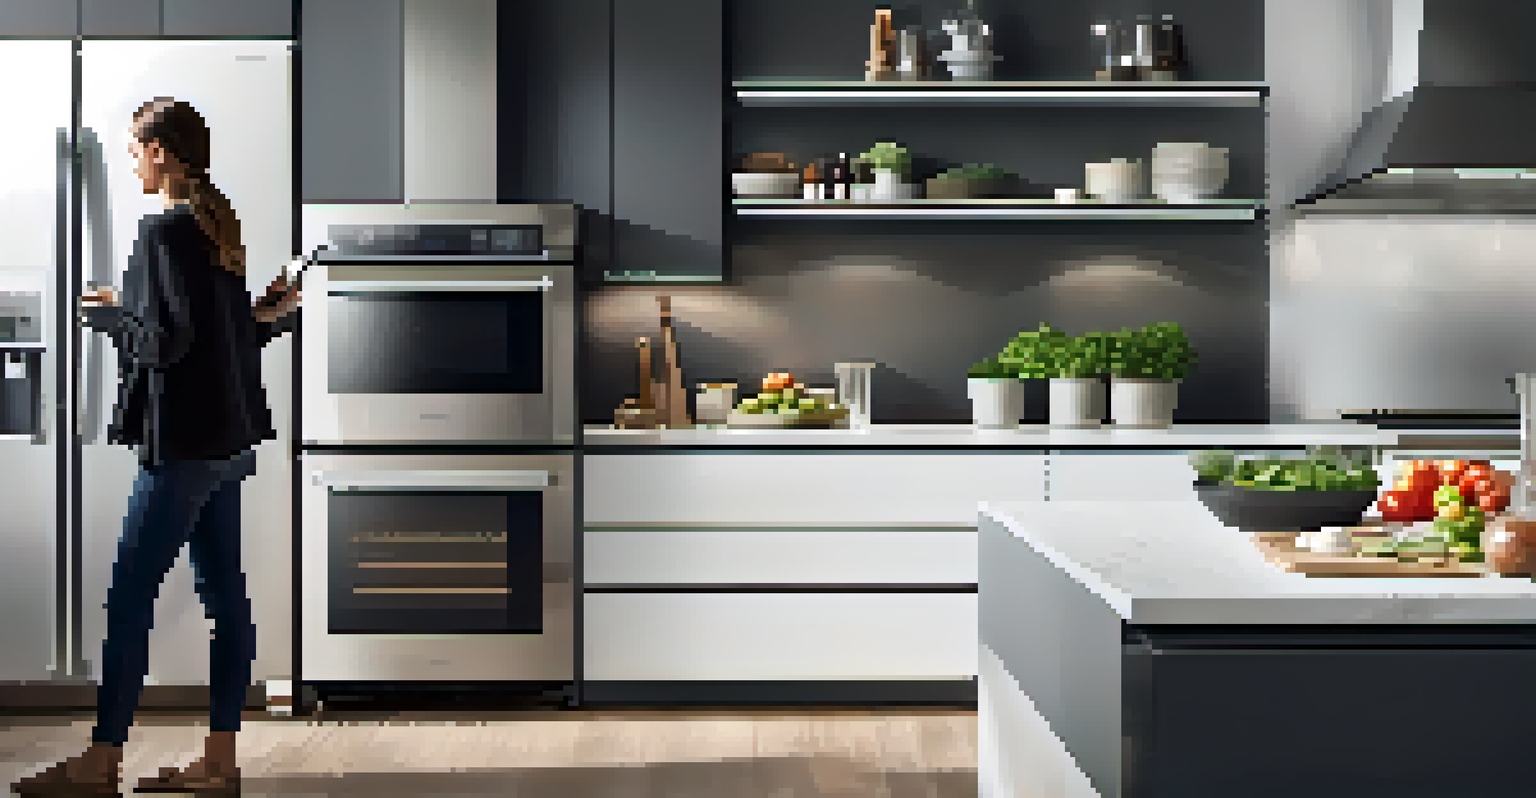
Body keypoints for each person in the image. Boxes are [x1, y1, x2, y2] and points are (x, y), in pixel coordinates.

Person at [12, 97, 300, 797]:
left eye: (137, 150)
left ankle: (101, 761)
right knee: (225, 600)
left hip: (181, 451)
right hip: (228, 446)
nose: (135, 162)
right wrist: (271, 314)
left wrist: (111, 317)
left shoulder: (163, 234)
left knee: (128, 599)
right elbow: (227, 341)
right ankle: (220, 759)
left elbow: (164, 346)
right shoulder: (215, 231)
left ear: (161, 152)